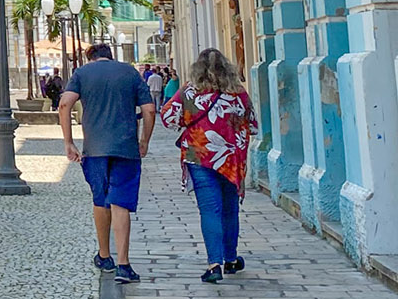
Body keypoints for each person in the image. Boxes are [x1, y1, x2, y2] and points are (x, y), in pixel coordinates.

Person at [60, 41, 157, 285]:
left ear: (90, 57)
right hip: (126, 147)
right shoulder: (129, 72)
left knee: (100, 200)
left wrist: (68, 141)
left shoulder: (82, 73)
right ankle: (124, 265)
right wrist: (144, 140)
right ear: (111, 56)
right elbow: (149, 110)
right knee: (121, 203)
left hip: (95, 149)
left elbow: (64, 104)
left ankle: (104, 256)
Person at [161, 48, 256, 283]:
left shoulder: (189, 92)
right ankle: (231, 258)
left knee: (209, 210)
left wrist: (189, 123)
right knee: (230, 209)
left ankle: (215, 264)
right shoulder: (238, 93)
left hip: (200, 158)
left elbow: (168, 117)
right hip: (231, 160)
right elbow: (252, 124)